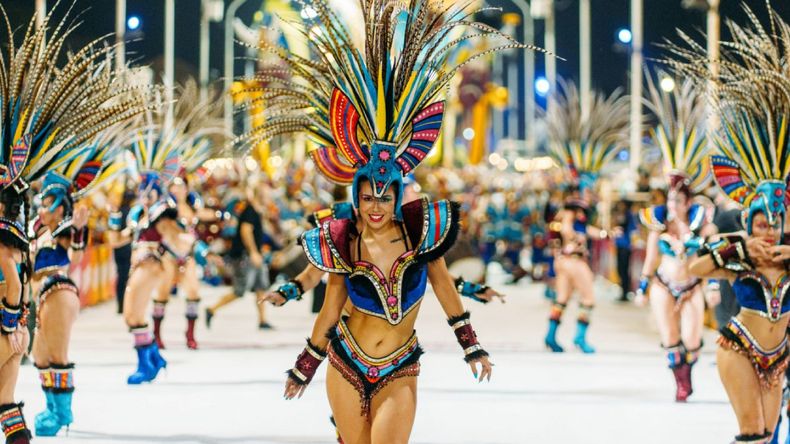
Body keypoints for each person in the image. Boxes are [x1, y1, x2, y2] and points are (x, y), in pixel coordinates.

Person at [230, 1, 532, 440]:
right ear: (355, 198)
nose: (375, 206)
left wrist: (472, 345)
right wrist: (303, 363)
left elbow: (442, 285)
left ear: (397, 197)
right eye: (367, 197)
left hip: (400, 365)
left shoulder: (420, 233)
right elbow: (329, 304)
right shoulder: (343, 236)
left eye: (384, 197)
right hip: (346, 360)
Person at [0, 5, 152, 439]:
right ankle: (42, 416)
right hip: (37, 298)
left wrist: (76, 221)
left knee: (55, 354)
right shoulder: (30, 227)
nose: (45, 206)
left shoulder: (63, 226)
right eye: (42, 200)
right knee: (40, 358)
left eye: (52, 201)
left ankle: (61, 413)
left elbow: (78, 250)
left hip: (58, 291)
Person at [679, 5, 790, 442]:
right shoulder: (739, 253)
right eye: (761, 224)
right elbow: (694, 268)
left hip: (778, 355)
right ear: (750, 222)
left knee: (769, 433)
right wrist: (740, 247)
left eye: (774, 224)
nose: (768, 231)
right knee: (752, 433)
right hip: (739, 345)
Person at [635, 74, 714, 402]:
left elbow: (711, 254)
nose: (672, 205)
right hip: (664, 284)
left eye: (677, 200)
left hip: (692, 284)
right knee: (670, 337)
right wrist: (642, 287)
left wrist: (712, 285)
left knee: (693, 341)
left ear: (687, 201)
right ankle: (680, 383)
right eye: (669, 199)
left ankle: (687, 372)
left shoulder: (701, 221)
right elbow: (651, 258)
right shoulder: (658, 224)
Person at [542, 81, 630, 354]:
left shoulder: (575, 207)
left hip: (564, 259)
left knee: (562, 297)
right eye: (589, 188)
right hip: (573, 258)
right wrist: (575, 237)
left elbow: (579, 228)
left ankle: (551, 336)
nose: (591, 193)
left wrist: (604, 234)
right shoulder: (572, 206)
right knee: (589, 298)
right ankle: (580, 338)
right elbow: (568, 227)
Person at [206, 184, 275, 329]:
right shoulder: (250, 211)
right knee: (239, 290)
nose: (269, 198)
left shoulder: (257, 211)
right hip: (245, 256)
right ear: (260, 196)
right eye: (267, 195)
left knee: (261, 287)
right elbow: (245, 231)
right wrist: (253, 252)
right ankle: (212, 309)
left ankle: (263, 320)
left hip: (254, 255)